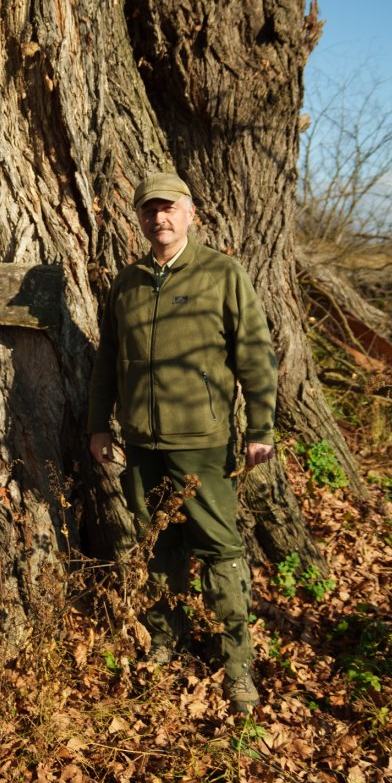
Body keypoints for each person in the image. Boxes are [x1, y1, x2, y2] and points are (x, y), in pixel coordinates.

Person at [87, 172, 278, 713]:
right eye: (149, 211)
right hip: (142, 444)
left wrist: (261, 429)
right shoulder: (127, 282)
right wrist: (100, 424)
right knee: (157, 549)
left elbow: (256, 356)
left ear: (190, 213)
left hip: (202, 442)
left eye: (168, 209)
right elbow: (107, 360)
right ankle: (166, 642)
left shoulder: (222, 273)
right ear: (140, 219)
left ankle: (237, 664)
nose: (159, 219)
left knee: (220, 549)